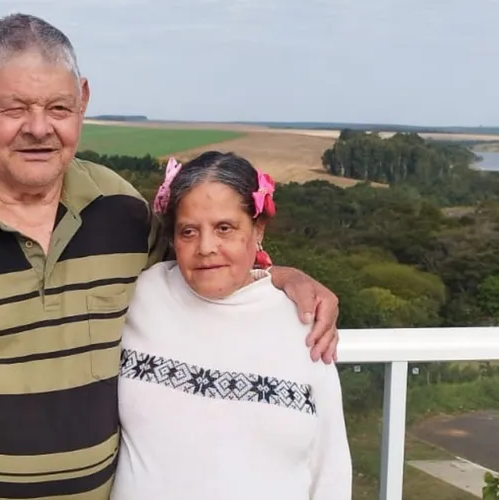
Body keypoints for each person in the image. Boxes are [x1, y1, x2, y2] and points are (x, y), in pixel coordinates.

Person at [0, 13, 341, 500]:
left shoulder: (119, 210)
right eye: (14, 108)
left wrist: (280, 276)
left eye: (58, 108)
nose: (38, 128)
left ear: (83, 103)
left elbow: (206, 268)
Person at [111, 152, 352, 500]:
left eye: (225, 228)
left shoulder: (303, 322)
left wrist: (281, 276)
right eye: (189, 231)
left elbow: (330, 471)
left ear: (257, 229)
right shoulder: (140, 295)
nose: (206, 248)